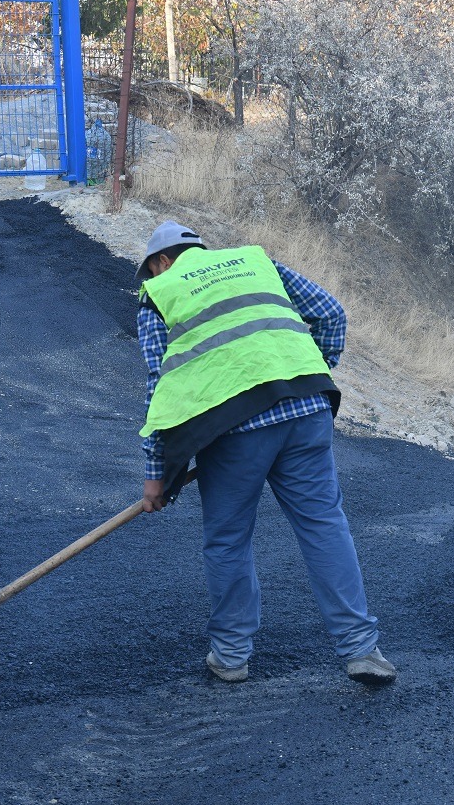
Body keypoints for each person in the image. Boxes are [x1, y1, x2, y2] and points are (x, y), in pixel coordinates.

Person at [133, 221, 394, 688]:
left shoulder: (159, 292)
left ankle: (231, 656)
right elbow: (331, 313)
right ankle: (362, 651)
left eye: (151, 269)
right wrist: (310, 368)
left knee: (229, 538)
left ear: (161, 262)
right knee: (324, 525)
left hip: (232, 429)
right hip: (306, 406)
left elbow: (160, 386)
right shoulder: (256, 262)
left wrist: (157, 474)